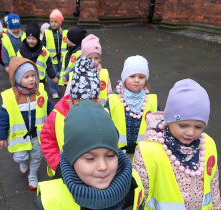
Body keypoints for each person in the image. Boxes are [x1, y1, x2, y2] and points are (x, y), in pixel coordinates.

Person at [32, 100, 145, 209]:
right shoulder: (50, 201)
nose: (103, 166)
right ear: (71, 158)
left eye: (110, 155)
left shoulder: (134, 182)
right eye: (90, 158)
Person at [133, 79, 221, 209]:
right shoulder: (148, 151)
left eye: (198, 126)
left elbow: (213, 183)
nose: (190, 132)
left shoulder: (207, 145)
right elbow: (141, 192)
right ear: (169, 120)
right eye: (183, 125)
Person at [0, 57, 54, 190]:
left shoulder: (41, 93)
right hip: (20, 136)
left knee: (37, 156)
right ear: (17, 79)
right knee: (20, 157)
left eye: (33, 75)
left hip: (37, 135)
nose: (31, 79)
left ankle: (33, 174)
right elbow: (3, 119)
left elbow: (50, 109)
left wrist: (58, 118)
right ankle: (23, 163)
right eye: (26, 76)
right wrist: (1, 136)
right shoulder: (10, 98)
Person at [40, 57, 100, 176]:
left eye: (91, 102)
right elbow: (47, 140)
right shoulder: (57, 115)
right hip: (64, 171)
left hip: (93, 172)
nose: (86, 107)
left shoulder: (102, 114)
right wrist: (58, 165)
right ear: (72, 99)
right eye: (81, 102)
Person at [105, 55, 158, 159]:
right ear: (124, 77)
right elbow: (104, 125)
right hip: (117, 152)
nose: (137, 80)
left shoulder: (151, 101)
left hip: (142, 153)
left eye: (141, 77)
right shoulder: (113, 100)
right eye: (132, 76)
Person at [64, 34, 113, 105]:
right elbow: (68, 94)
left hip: (101, 111)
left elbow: (109, 92)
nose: (93, 62)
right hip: (81, 111)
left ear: (100, 58)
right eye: (89, 58)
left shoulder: (104, 73)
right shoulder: (75, 74)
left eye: (96, 58)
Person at [17, 20, 58, 85]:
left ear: (38, 39)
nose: (31, 41)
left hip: (40, 80)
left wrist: (53, 76)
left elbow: (49, 65)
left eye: (33, 39)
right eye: (29, 38)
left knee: (40, 94)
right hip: (26, 80)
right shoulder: (22, 50)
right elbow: (18, 65)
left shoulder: (43, 50)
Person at [42, 9, 68, 99]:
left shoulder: (64, 32)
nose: (53, 24)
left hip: (62, 58)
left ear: (60, 22)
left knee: (61, 73)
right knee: (51, 74)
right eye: (51, 21)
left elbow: (67, 44)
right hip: (51, 59)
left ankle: (62, 88)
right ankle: (54, 91)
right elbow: (43, 44)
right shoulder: (47, 32)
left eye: (55, 22)